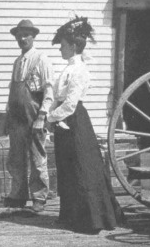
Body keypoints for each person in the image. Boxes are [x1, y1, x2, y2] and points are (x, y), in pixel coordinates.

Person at [46, 17, 125, 234]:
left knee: (82, 168)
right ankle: (71, 216)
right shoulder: (67, 69)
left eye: (62, 45)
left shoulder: (79, 70)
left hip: (76, 122)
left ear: (73, 46)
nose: (60, 49)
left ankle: (91, 219)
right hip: (63, 122)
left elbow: (71, 104)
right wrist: (50, 115)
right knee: (67, 168)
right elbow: (58, 97)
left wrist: (51, 117)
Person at [5, 19, 54, 213]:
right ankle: (18, 195)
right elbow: (13, 90)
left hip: (34, 115)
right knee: (15, 157)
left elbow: (49, 89)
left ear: (33, 36)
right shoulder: (17, 62)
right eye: (19, 35)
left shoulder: (41, 58)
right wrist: (8, 114)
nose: (22, 38)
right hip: (16, 116)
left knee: (37, 157)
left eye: (26, 35)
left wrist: (42, 115)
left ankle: (39, 197)